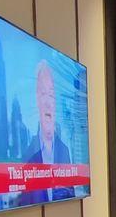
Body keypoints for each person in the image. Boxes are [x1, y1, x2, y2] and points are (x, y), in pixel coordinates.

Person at [17, 61, 74, 206]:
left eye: (51, 94)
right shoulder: (28, 155)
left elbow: (70, 198)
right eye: (43, 93)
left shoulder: (64, 151)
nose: (48, 102)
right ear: (37, 100)